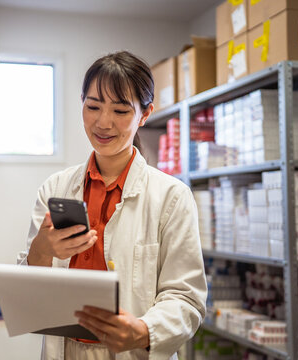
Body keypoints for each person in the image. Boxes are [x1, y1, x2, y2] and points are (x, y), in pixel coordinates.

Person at [17, 51, 207, 360]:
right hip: (65, 351)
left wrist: (144, 331)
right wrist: (40, 251)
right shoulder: (55, 189)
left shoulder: (171, 196)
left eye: (120, 110)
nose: (103, 122)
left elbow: (186, 298)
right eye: (93, 106)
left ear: (144, 115)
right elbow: (28, 298)